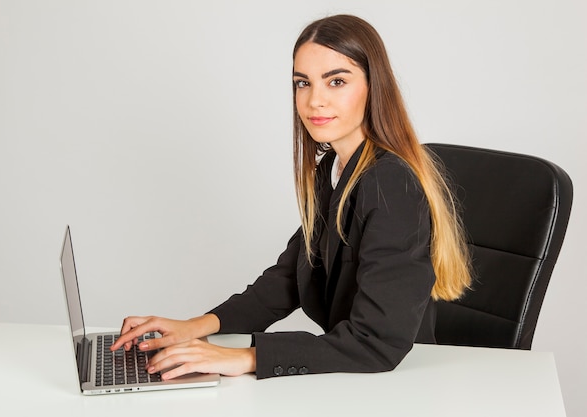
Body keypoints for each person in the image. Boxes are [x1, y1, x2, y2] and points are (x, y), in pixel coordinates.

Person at [111, 14, 471, 380]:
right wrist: (197, 326)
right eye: (303, 83)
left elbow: (376, 341)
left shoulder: (392, 184)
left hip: (399, 383)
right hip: (351, 375)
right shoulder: (333, 169)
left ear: (373, 86)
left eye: (337, 81)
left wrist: (246, 358)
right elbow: (290, 277)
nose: (315, 100)